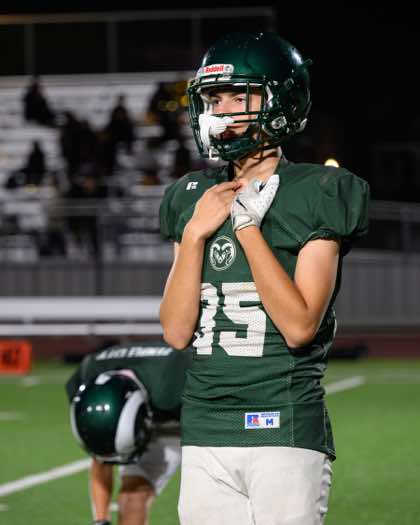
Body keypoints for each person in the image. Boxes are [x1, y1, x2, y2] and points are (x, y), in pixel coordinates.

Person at [158, 32, 370, 525]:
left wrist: (247, 227)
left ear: (280, 101)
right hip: (206, 424)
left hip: (282, 421)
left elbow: (299, 326)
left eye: (238, 97)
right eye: (214, 99)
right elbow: (175, 331)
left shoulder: (319, 190)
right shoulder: (190, 195)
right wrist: (193, 235)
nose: (222, 111)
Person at [66, 341, 192, 525]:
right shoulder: (85, 381)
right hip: (152, 409)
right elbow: (102, 457)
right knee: (131, 500)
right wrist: (101, 520)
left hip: (192, 418)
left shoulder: (177, 381)